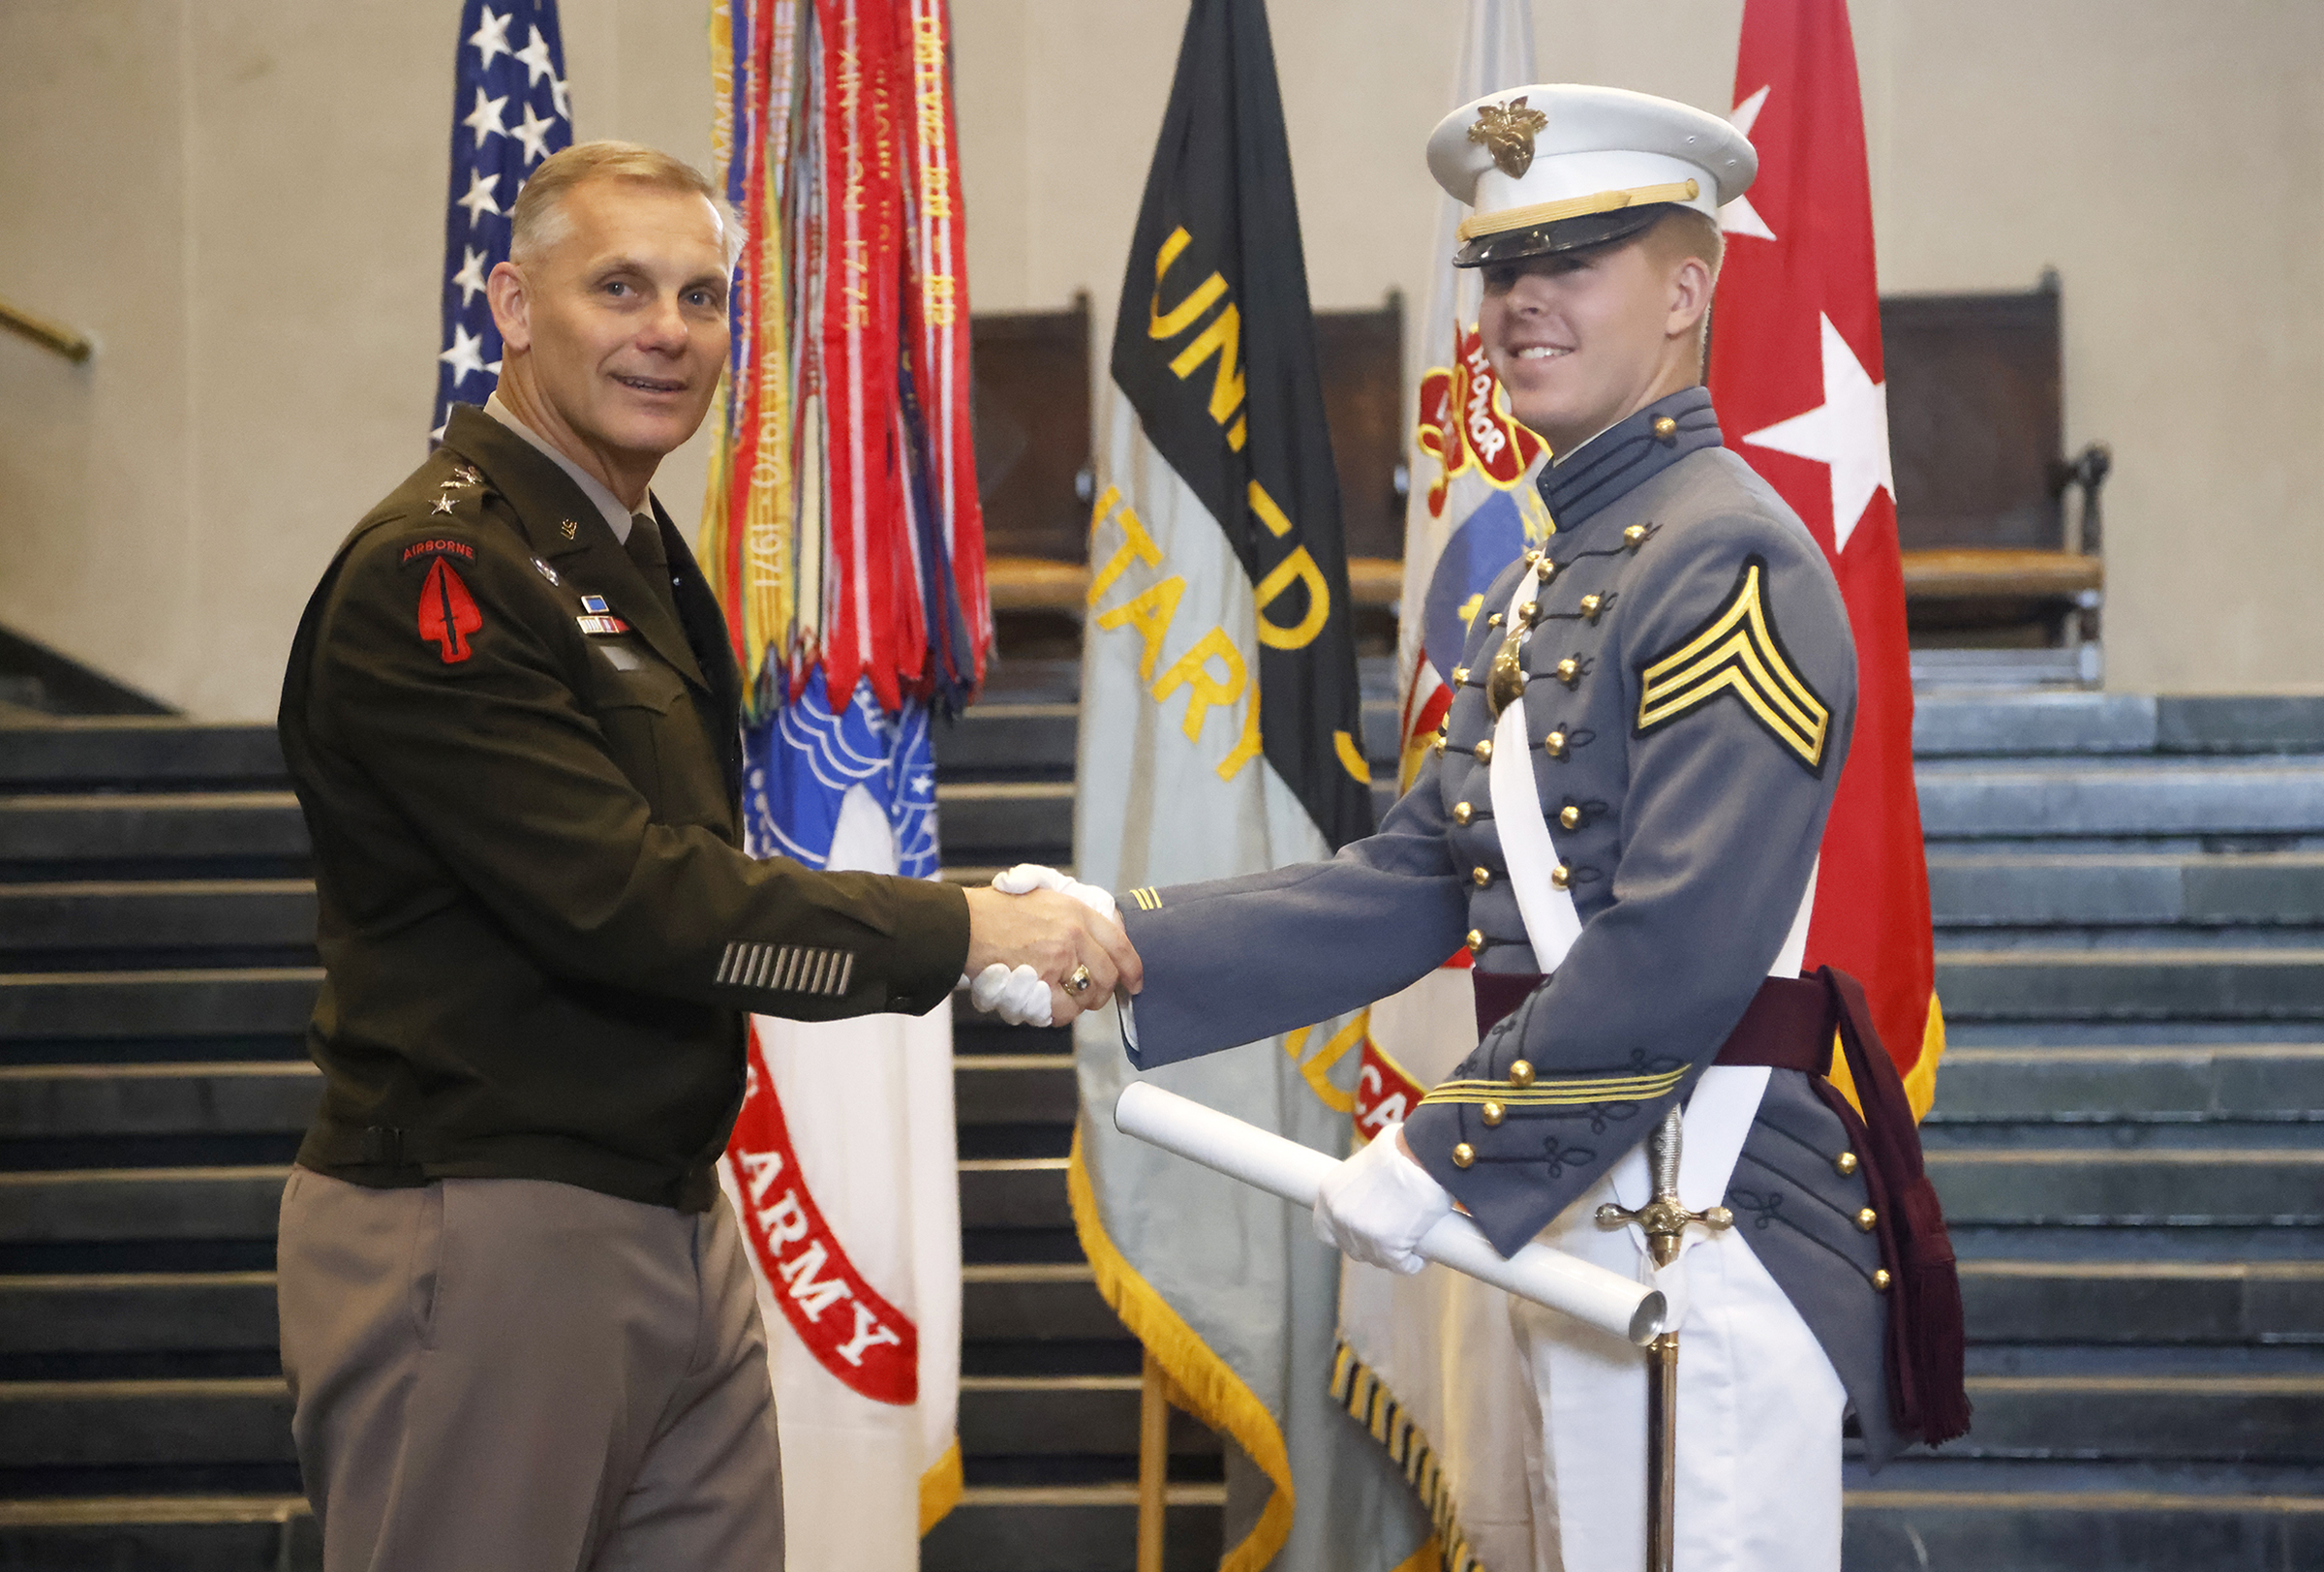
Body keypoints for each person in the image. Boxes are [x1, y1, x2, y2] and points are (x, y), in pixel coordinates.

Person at [1039, 86, 1964, 1572]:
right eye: (1501, 271)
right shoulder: (1553, 574)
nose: (1520, 304)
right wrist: (1123, 943)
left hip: (1692, 1222)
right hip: (1571, 1210)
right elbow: (1420, 880)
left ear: (1684, 292)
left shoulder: (1725, 557)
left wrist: (1445, 1148)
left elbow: (1678, 942)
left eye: (1573, 263)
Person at [273, 140, 1138, 1572]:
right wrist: (964, 930)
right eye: (619, 287)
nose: (668, 332)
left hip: (670, 1215)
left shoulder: (633, 558)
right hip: (488, 1229)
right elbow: (629, 899)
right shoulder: (439, 575)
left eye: (701, 296)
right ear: (511, 302)